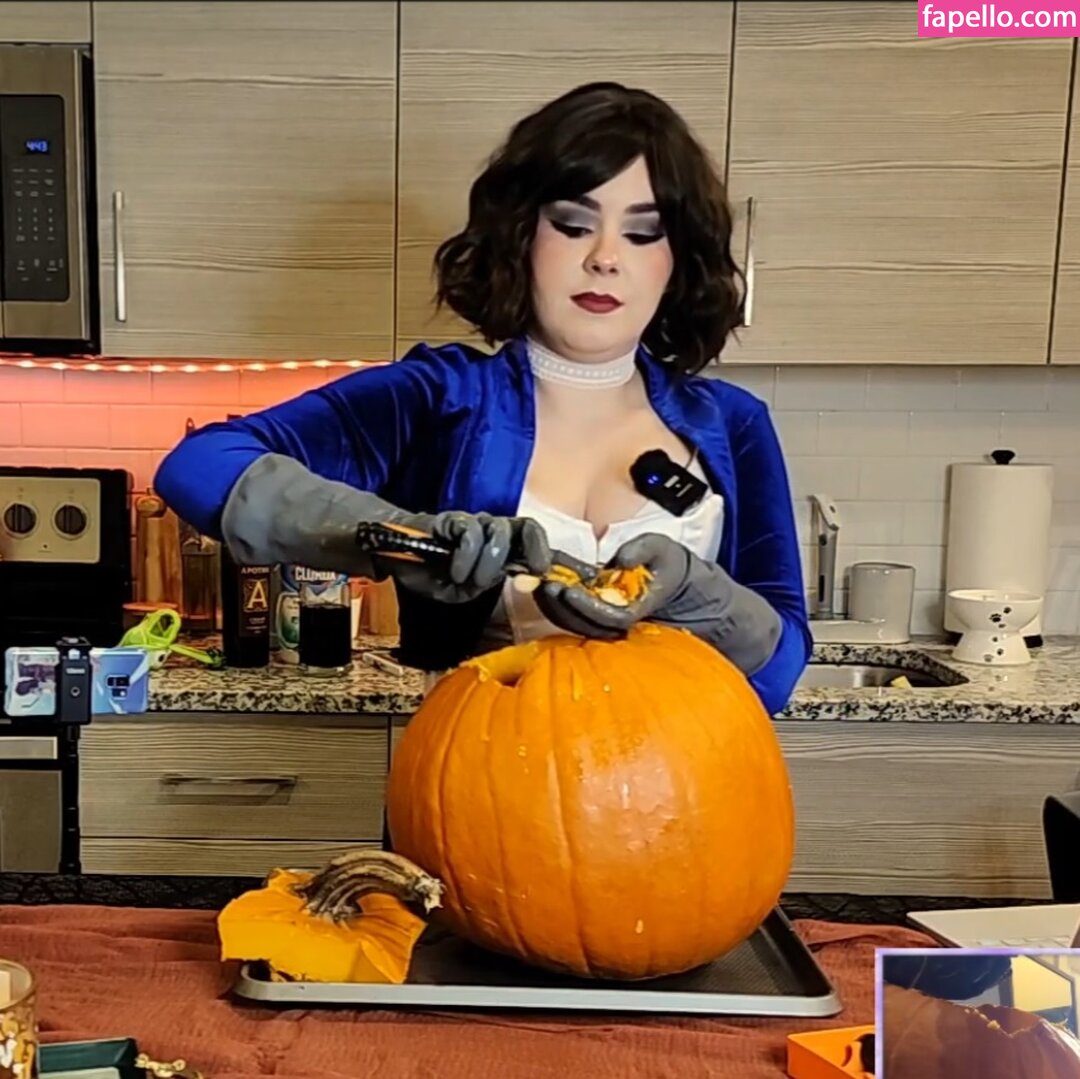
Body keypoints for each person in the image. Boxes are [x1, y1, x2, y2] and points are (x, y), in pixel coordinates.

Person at [153, 81, 810, 716]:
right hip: (479, 773)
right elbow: (197, 466)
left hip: (686, 781)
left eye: (643, 233)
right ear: (521, 236)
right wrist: (402, 539)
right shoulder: (439, 400)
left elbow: (780, 670)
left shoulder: (731, 425)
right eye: (573, 224)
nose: (606, 257)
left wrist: (695, 594)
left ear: (677, 260)